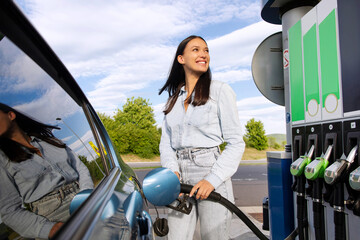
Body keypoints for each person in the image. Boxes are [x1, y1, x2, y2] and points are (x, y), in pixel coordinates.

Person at [158, 35, 245, 240]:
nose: (203, 55)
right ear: (181, 58)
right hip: (179, 178)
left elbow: (235, 142)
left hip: (210, 171)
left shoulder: (220, 90)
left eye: (206, 50)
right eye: (196, 50)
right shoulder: (173, 100)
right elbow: (166, 143)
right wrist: (173, 173)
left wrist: (211, 181)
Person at [0, 103, 94, 239]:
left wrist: (86, 195)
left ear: (11, 115)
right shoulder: (2, 159)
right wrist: (48, 229)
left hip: (83, 198)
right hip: (52, 218)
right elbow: (9, 211)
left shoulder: (49, 140)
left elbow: (79, 167)